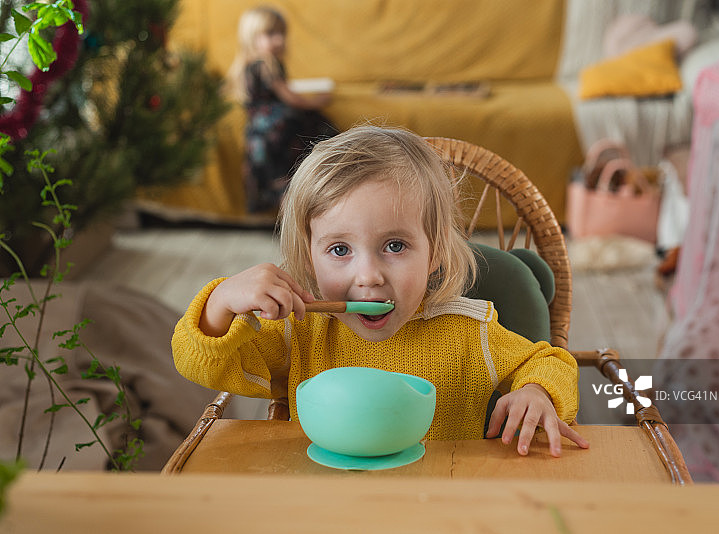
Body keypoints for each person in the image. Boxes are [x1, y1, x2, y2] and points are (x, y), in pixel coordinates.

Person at [172, 126, 589, 457]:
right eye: (339, 250)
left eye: (394, 246)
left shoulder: (468, 332)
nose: (368, 275)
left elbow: (551, 360)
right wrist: (222, 301)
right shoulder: (297, 333)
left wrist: (536, 391)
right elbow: (200, 365)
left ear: (435, 252)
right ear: (309, 257)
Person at [226, 6, 338, 212]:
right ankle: (293, 230)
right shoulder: (267, 63)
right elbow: (289, 97)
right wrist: (317, 102)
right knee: (290, 177)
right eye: (270, 34)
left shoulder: (244, 66)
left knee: (275, 179)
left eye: (281, 34)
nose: (279, 40)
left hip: (258, 135)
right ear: (252, 36)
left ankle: (280, 222)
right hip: (280, 131)